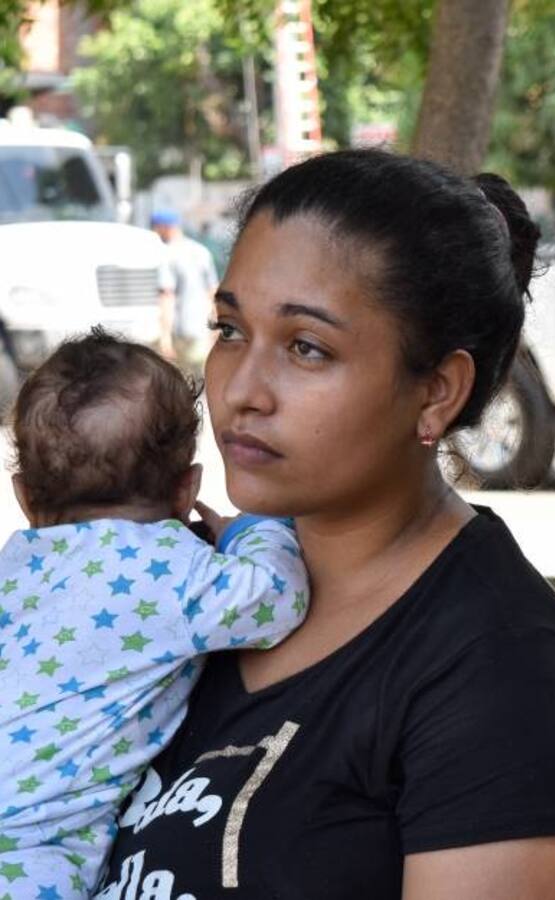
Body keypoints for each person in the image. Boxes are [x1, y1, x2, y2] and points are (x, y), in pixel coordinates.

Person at [96, 150, 555, 899]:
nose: (241, 391)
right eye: (229, 330)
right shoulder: (190, 582)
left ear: (436, 393)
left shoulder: (506, 674)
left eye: (306, 348)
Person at [0, 330, 309, 899]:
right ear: (187, 489)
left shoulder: (15, 564)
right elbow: (277, 595)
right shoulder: (172, 569)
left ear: (23, 497)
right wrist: (251, 529)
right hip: (31, 851)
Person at [152, 209, 219, 371]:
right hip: (203, 329)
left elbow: (167, 297)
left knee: (184, 383)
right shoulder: (202, 251)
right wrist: (216, 327)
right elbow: (213, 291)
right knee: (204, 381)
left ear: (164, 227)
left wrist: (165, 337)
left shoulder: (167, 255)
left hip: (181, 331)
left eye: (156, 228)